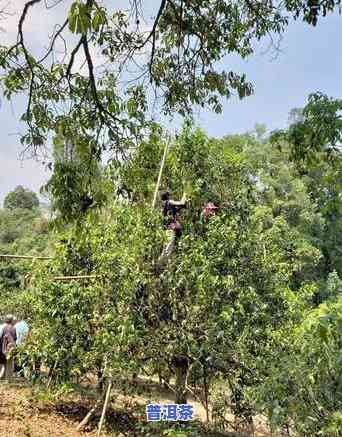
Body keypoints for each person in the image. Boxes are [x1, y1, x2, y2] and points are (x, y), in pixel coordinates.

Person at [158, 191, 187, 268]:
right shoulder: (169, 202)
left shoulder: (163, 206)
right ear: (167, 196)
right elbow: (182, 203)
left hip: (166, 230)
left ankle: (165, 266)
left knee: (168, 248)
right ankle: (159, 266)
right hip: (170, 230)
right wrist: (185, 193)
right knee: (168, 249)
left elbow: (178, 207)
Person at [0, 315, 17, 381]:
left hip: (4, 347)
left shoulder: (4, 328)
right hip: (10, 347)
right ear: (11, 320)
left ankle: (2, 376)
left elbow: (2, 338)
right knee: (9, 363)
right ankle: (8, 379)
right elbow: (15, 338)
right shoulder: (13, 328)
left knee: (4, 363)